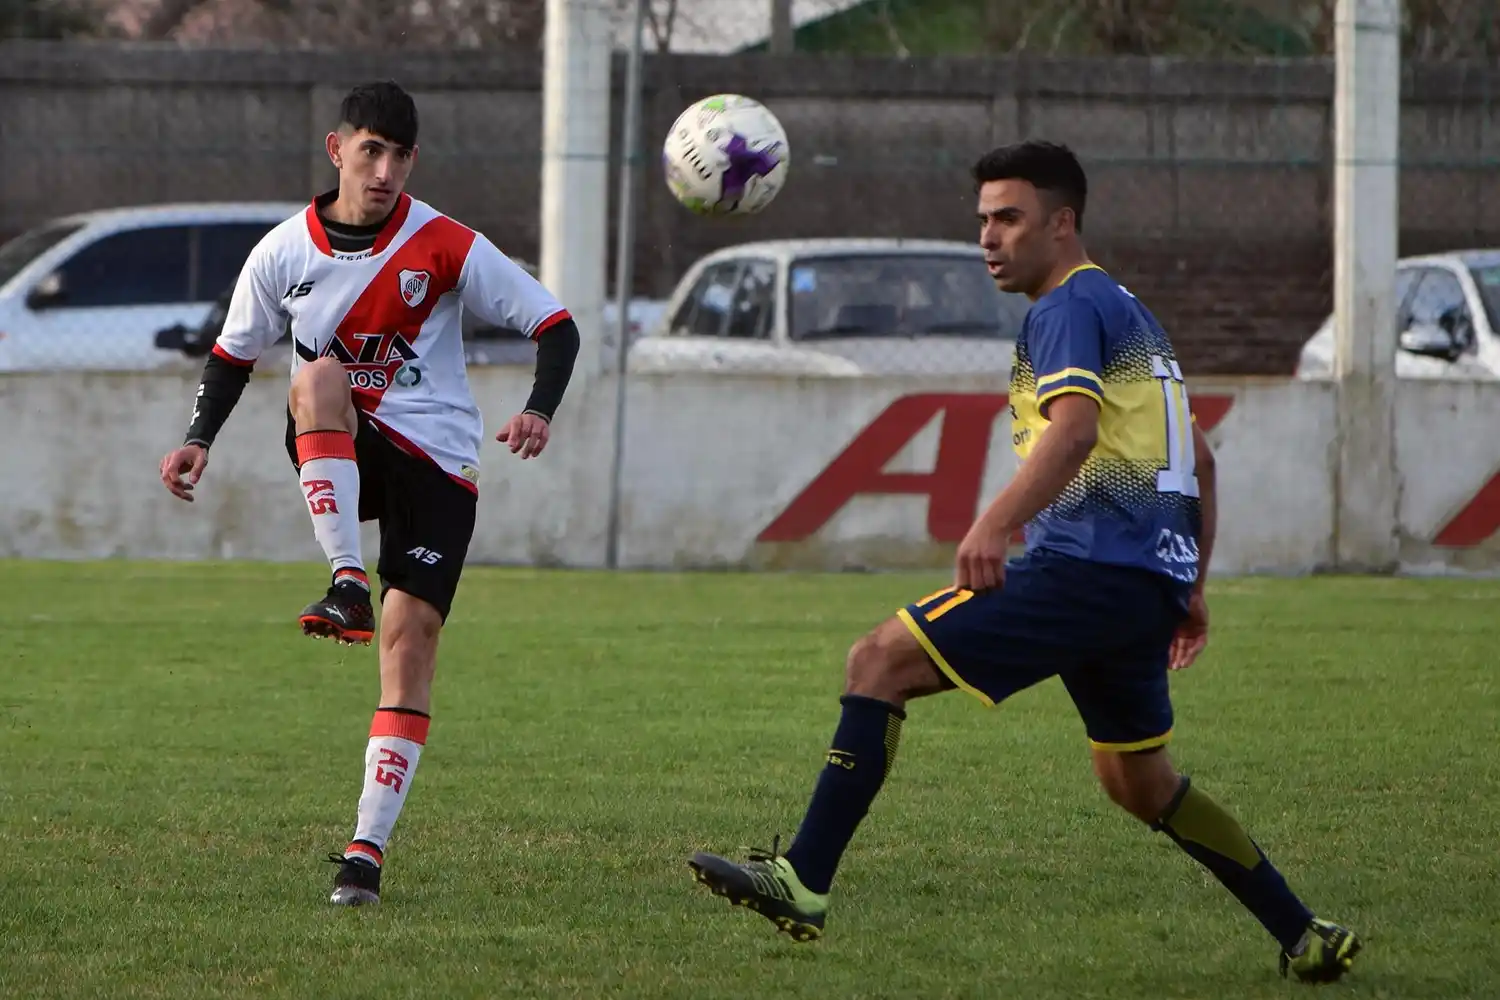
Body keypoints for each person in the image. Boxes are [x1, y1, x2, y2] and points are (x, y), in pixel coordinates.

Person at [688, 140, 1361, 984]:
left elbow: (1075, 432)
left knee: (878, 661)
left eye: (1009, 218)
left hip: (1086, 571)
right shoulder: (1129, 311)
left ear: (1062, 222)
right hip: (1139, 586)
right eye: (982, 220)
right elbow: (1201, 460)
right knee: (1139, 783)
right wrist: (1188, 586)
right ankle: (1304, 932)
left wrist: (995, 524)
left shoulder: (1067, 307)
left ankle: (803, 881)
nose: (988, 238)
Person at [157, 80, 581, 907]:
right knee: (316, 376)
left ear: (413, 160)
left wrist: (537, 409)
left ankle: (365, 853)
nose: (384, 170)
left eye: (399, 155)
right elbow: (234, 353)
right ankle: (347, 578)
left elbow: (555, 325)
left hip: (439, 458)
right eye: (369, 151)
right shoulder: (283, 251)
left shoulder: (448, 244)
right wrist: (197, 439)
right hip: (342, 436)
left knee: (410, 643)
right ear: (337, 149)